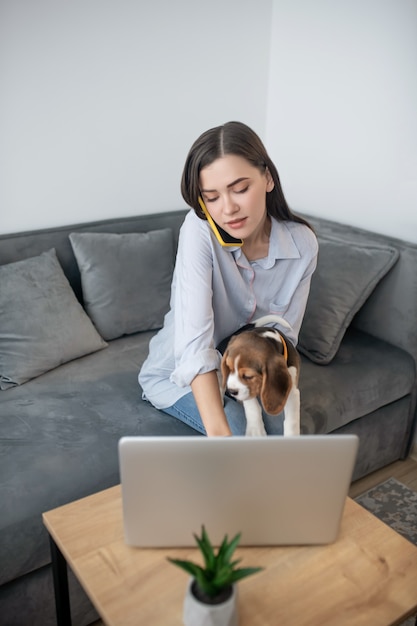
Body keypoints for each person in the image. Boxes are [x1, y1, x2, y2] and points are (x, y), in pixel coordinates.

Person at [139, 121, 318, 436]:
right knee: (241, 437)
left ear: (268, 178)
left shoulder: (302, 244)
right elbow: (195, 348)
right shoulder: (198, 231)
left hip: (243, 372)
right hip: (176, 376)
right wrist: (222, 439)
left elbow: (282, 338)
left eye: (240, 189)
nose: (229, 209)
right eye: (212, 197)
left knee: (282, 431)